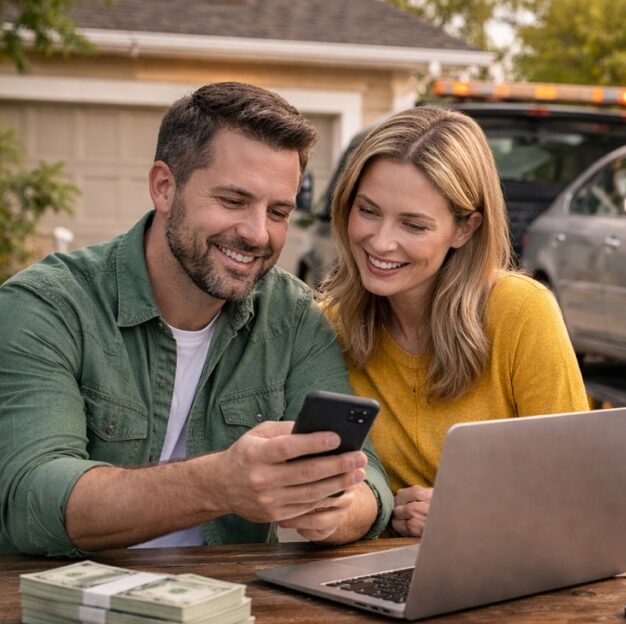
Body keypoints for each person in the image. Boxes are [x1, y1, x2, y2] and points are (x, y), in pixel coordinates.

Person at [0, 82, 393, 557]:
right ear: (164, 187)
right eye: (233, 201)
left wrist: (336, 509)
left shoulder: (293, 318)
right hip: (60, 605)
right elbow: (30, 500)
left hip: (235, 607)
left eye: (279, 212)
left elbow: (367, 476)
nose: (257, 233)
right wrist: (218, 484)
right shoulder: (47, 307)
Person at [319, 106, 589, 537]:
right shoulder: (330, 325)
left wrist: (468, 512)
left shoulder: (522, 312)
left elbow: (578, 490)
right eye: (368, 210)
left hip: (508, 574)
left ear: (465, 229)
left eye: (413, 224)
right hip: (375, 574)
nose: (381, 241)